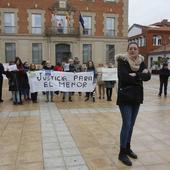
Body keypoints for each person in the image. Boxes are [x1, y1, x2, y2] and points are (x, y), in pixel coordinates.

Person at [116, 42, 151, 166]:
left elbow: (148, 77)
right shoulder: (122, 61)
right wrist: (140, 76)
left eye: (135, 49)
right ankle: (122, 153)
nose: (132, 50)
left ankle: (127, 148)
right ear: (127, 50)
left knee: (131, 125)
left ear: (138, 51)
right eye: (130, 49)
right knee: (126, 124)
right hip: (125, 97)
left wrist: (136, 75)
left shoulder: (141, 62)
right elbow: (124, 77)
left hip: (136, 97)